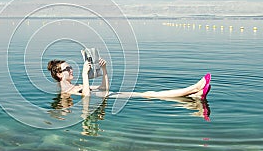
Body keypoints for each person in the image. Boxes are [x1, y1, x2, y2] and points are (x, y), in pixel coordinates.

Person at [47, 58, 211, 100]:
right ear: (60, 74)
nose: (71, 69)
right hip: (115, 97)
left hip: (112, 94)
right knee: (150, 94)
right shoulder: (66, 91)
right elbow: (87, 98)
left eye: (70, 67)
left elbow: (103, 89)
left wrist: (104, 70)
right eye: (67, 68)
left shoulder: (76, 86)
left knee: (150, 93)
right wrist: (84, 74)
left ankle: (195, 95)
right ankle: (194, 88)